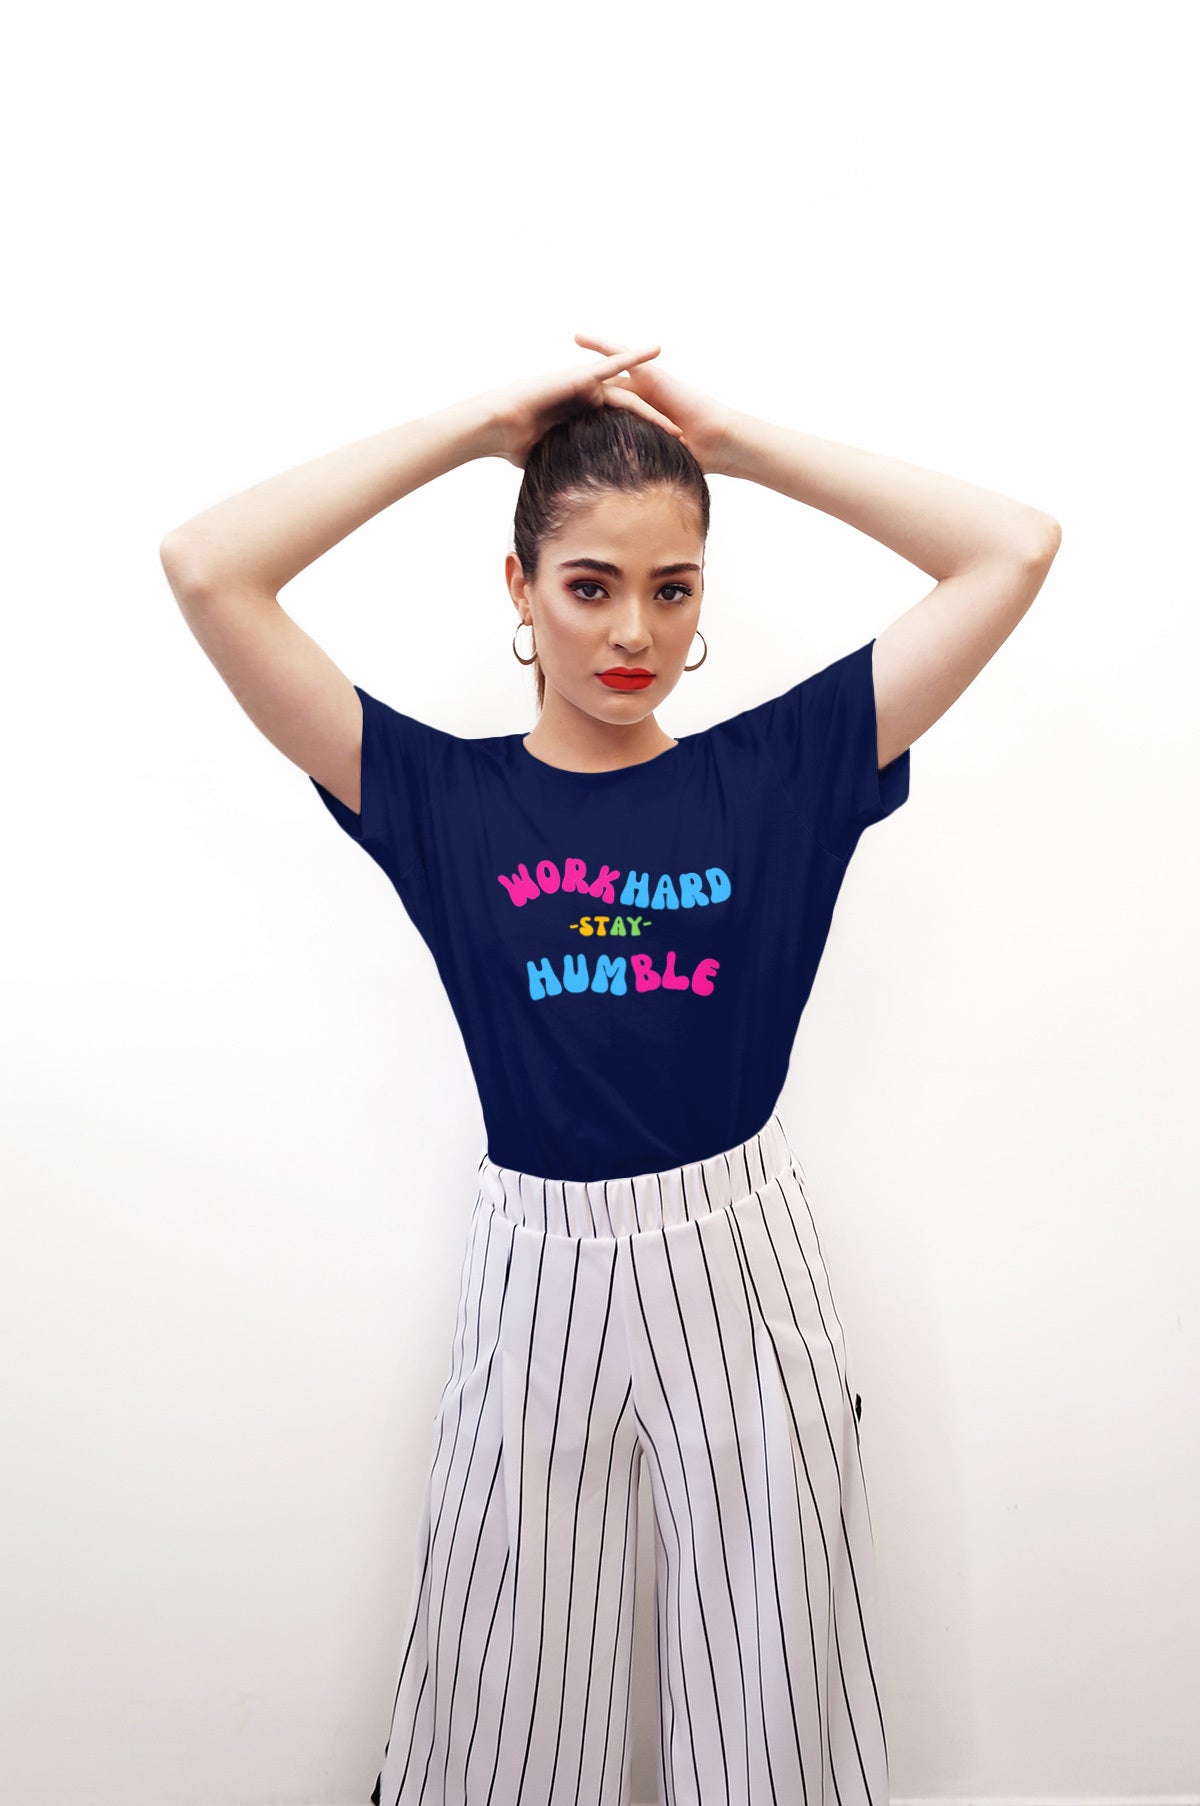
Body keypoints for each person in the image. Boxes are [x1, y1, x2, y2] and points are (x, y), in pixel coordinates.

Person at [159, 335, 1061, 1806]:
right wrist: (477, 427)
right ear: (520, 590)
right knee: (508, 1709)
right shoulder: (438, 795)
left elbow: (1012, 548)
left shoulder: (778, 772)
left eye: (673, 586)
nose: (633, 629)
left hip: (741, 1261)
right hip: (537, 1269)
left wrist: (738, 443)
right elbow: (208, 568)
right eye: (589, 585)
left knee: (775, 1711)